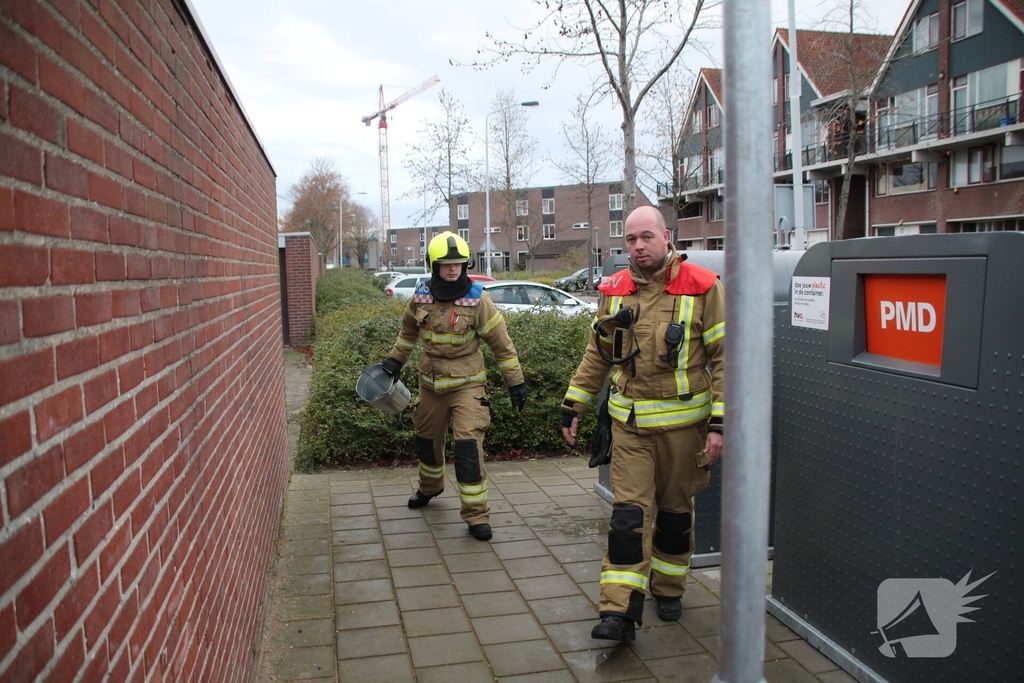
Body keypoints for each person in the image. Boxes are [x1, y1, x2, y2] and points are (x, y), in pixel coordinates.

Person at [559, 206, 724, 641]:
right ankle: (619, 612)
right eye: (630, 239)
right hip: (629, 426)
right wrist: (572, 403)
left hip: (685, 431)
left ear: (666, 237)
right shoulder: (614, 290)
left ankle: (669, 588)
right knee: (627, 517)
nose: (638, 246)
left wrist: (720, 426)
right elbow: (599, 352)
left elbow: (727, 359)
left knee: (673, 515)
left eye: (646, 237)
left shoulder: (704, 287)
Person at [380, 232, 527, 541]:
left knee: (467, 450)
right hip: (430, 385)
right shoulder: (421, 296)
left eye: (458, 264)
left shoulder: (477, 298)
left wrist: (515, 382)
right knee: (426, 443)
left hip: (467, 387)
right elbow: (408, 331)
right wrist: (395, 361)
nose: (452, 270)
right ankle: (430, 488)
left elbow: (501, 344)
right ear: (433, 266)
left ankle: (476, 516)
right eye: (445, 265)